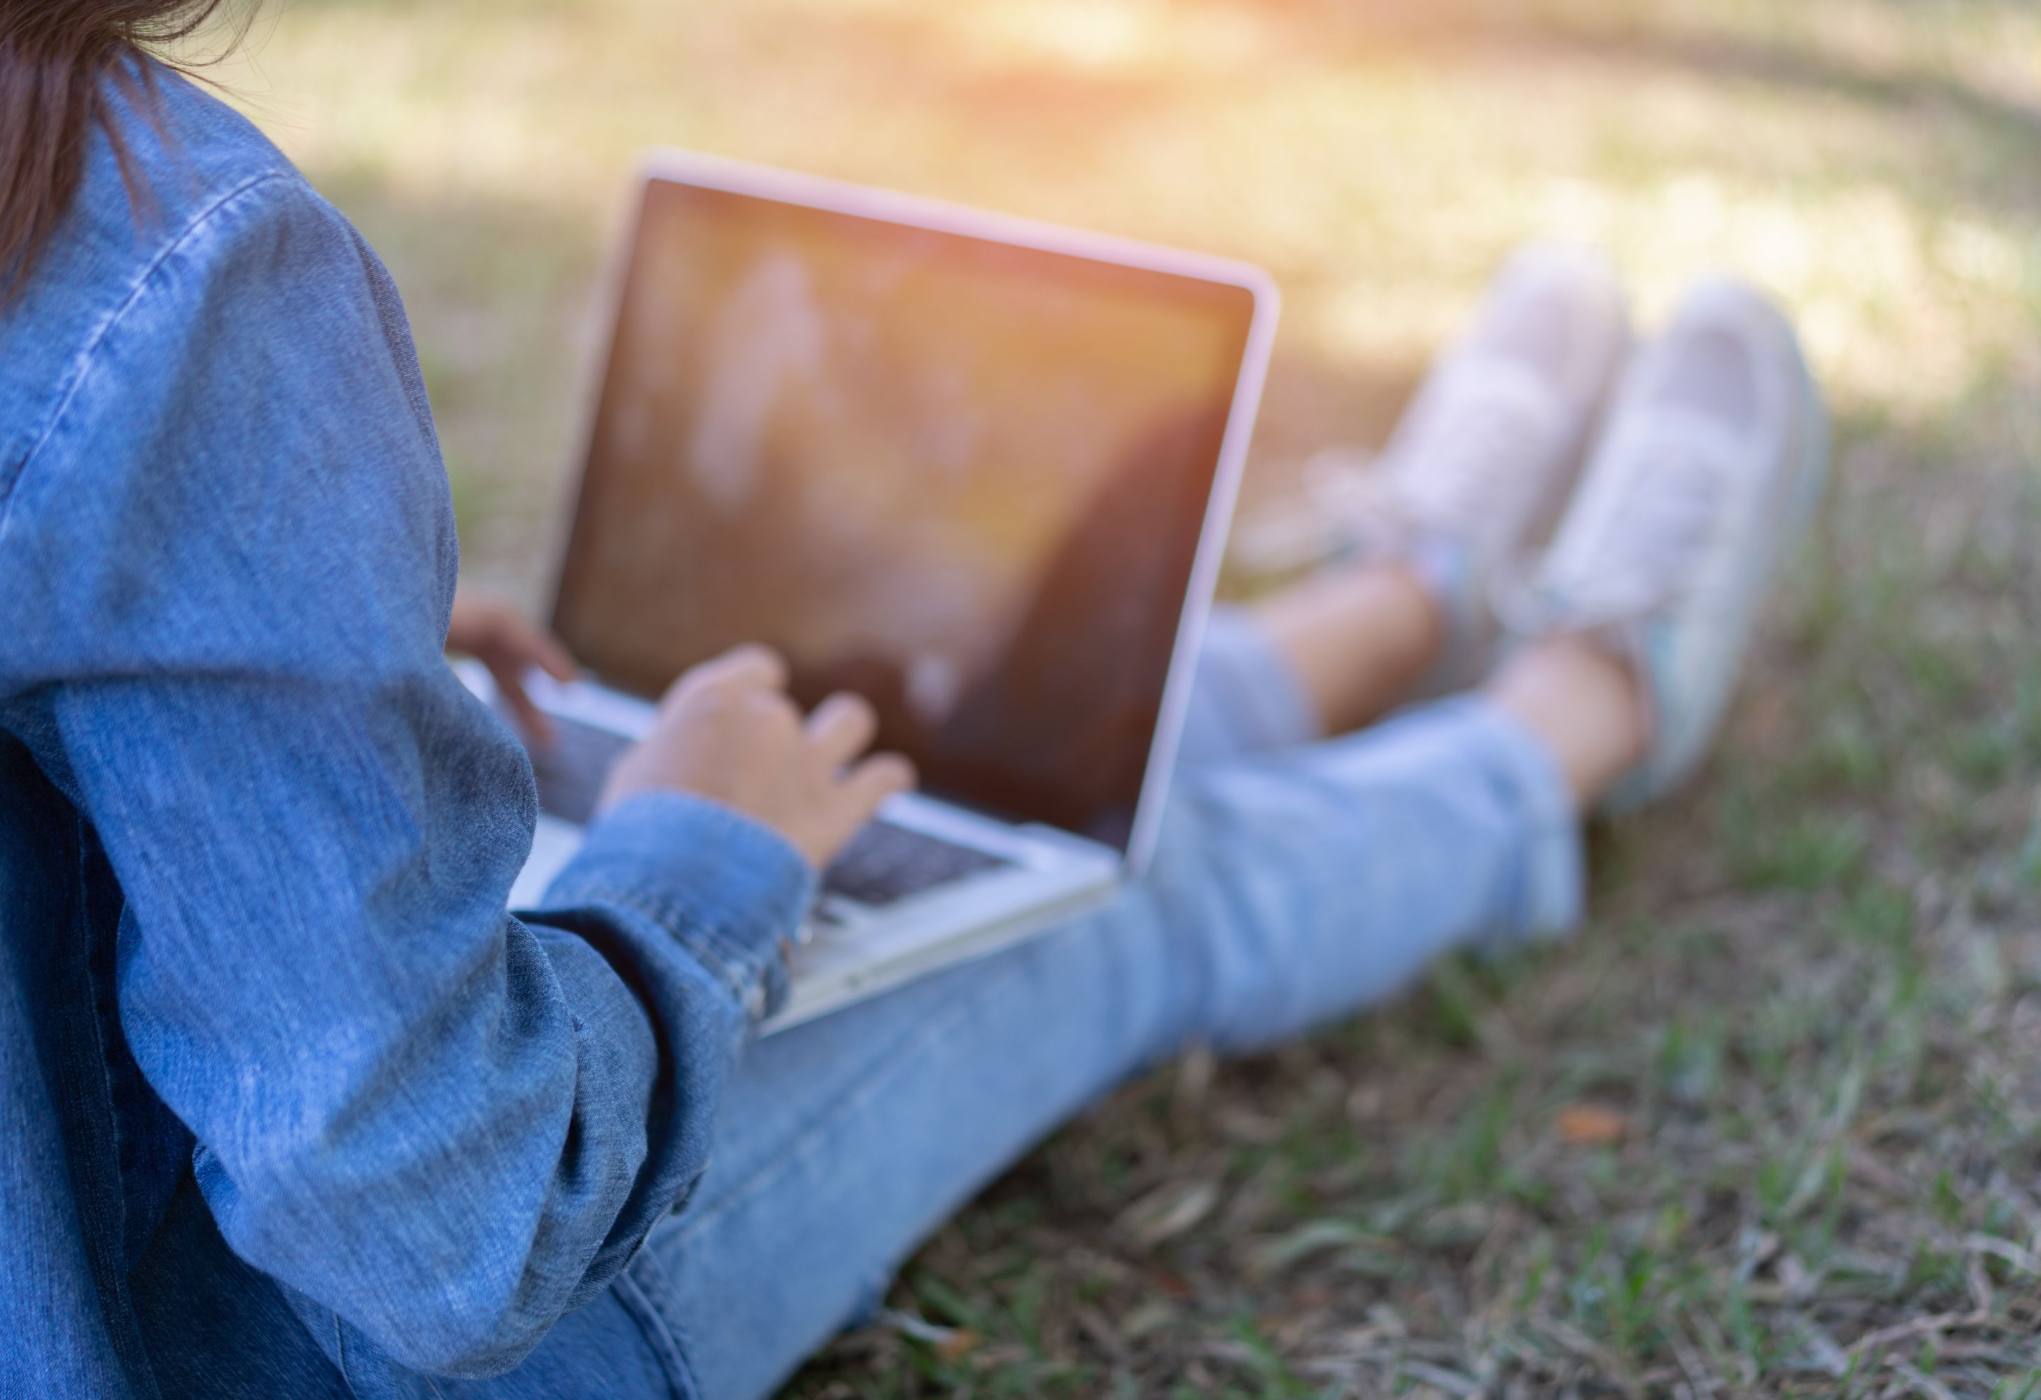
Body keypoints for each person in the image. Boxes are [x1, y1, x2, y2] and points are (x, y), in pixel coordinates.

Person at [0, 11, 1826, 1400]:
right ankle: (1585, 694)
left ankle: (1407, 590)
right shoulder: (153, 249)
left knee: (1017, 812)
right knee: (1090, 887)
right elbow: (432, 1222)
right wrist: (694, 867)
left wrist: (293, 690)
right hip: (312, 1353)